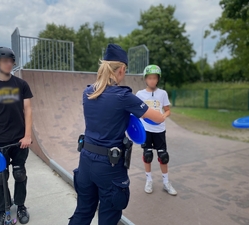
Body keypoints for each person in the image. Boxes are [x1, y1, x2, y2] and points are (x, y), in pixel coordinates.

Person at [68, 44, 167, 225]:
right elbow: (158, 118)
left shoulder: (87, 92)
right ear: (121, 69)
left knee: (82, 213)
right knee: (108, 218)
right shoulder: (123, 96)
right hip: (109, 167)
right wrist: (165, 113)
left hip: (86, 162)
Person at [0, 47, 33, 225]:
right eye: (4, 61)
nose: (8, 64)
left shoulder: (21, 85)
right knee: (0, 177)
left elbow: (28, 110)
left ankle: (21, 205)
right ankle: (3, 209)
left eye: (10, 61)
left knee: (20, 174)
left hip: (19, 140)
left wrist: (27, 135)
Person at [136, 65, 177, 195]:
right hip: (146, 130)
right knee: (147, 156)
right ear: (145, 79)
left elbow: (168, 110)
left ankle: (166, 183)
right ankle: (149, 180)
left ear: (158, 79)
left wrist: (162, 117)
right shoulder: (140, 94)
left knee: (163, 156)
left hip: (159, 130)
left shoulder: (162, 93)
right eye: (149, 78)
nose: (152, 80)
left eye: (154, 78)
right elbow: (136, 110)